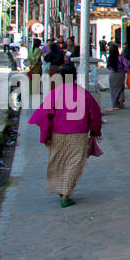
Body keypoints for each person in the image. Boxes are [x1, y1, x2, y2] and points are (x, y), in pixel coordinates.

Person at [27, 63, 103, 207]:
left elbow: (45, 116)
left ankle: (62, 190)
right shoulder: (83, 93)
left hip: (58, 133)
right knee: (75, 162)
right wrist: (95, 131)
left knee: (59, 161)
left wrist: (45, 136)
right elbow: (95, 115)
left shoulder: (55, 93)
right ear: (75, 77)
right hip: (78, 134)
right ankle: (66, 194)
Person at [106, 42, 128, 111]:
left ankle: (114, 104)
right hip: (121, 74)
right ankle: (121, 100)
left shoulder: (109, 58)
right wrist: (125, 70)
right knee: (121, 88)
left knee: (113, 90)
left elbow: (108, 66)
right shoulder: (121, 58)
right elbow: (127, 64)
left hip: (112, 74)